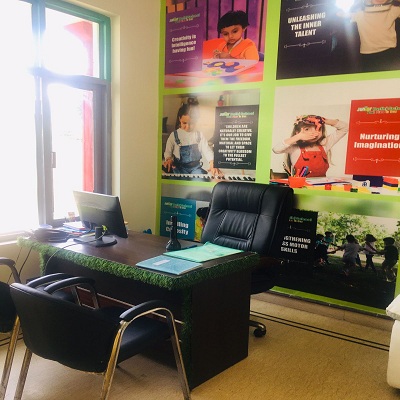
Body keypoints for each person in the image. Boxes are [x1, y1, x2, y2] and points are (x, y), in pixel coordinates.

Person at [272, 115, 348, 178]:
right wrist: (298, 137)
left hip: (321, 187)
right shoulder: (295, 148)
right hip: (301, 186)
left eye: (318, 128)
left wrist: (324, 120)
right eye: (307, 129)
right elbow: (276, 149)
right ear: (298, 133)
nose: (313, 132)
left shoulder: (324, 144)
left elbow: (345, 128)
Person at [163, 104, 223, 176]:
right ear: (179, 119)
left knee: (201, 177)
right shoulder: (174, 135)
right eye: (184, 123)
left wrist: (212, 162)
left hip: (195, 168)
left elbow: (207, 150)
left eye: (191, 123)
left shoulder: (199, 135)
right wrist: (168, 159)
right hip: (179, 168)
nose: (187, 127)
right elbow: (168, 152)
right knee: (175, 177)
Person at [340, 0, 400, 72]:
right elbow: (339, 14)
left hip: (389, 52)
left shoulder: (392, 9)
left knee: (390, 77)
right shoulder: (359, 13)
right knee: (371, 77)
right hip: (368, 54)